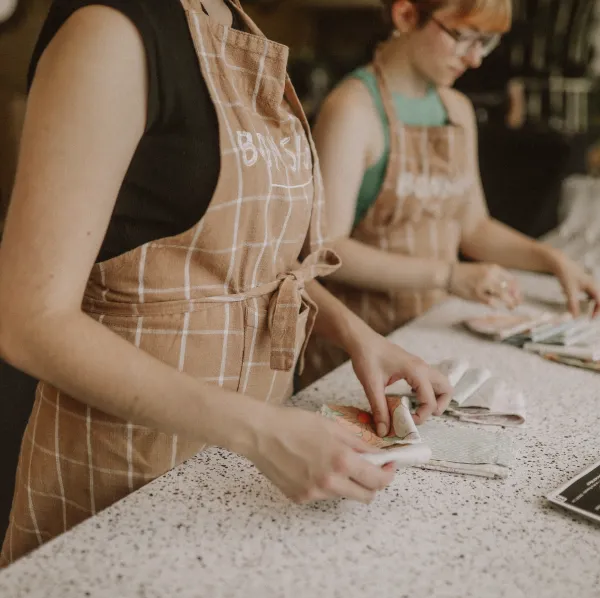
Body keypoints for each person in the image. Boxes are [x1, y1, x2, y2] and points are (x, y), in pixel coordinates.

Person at [0, 0, 452, 564]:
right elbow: (29, 319)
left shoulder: (234, 24)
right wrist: (262, 432)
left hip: (241, 472)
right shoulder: (110, 30)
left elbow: (246, 258)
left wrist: (357, 334)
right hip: (126, 476)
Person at [301, 0, 600, 386]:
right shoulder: (353, 109)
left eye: (486, 43)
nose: (475, 59)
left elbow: (473, 226)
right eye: (465, 38)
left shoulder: (456, 109)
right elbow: (328, 250)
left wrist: (552, 259)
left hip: (429, 331)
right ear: (406, 16)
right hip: (358, 352)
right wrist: (447, 275)